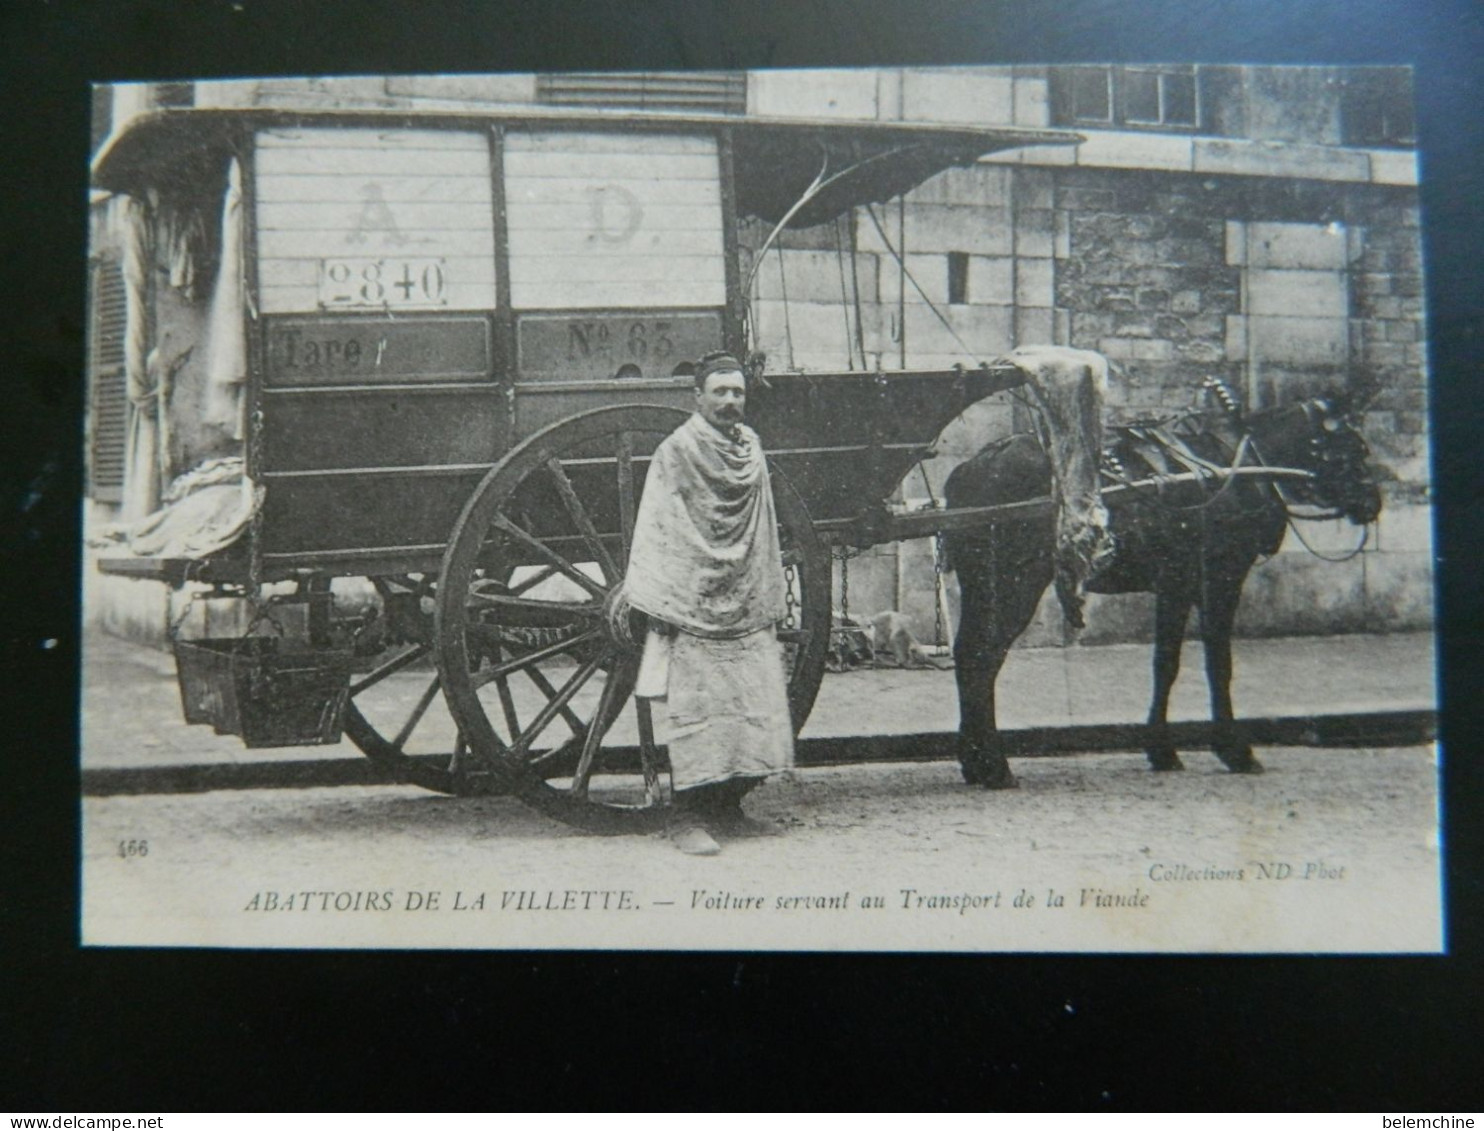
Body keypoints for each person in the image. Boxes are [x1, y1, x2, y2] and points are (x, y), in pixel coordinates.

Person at [615, 351, 794, 855]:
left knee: (744, 701)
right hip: (692, 598)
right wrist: (664, 597)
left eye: (738, 392)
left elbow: (765, 528)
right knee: (696, 707)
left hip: (745, 595)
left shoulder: (751, 447)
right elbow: (659, 523)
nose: (731, 401)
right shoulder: (677, 451)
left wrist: (763, 584)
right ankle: (686, 815)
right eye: (720, 392)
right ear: (698, 398)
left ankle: (729, 806)